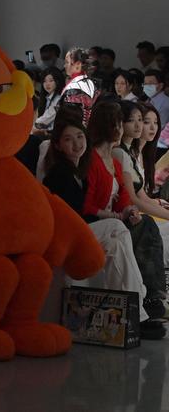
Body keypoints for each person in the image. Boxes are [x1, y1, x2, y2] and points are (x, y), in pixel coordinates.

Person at [42, 112, 153, 323]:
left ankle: (134, 312)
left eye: (79, 137)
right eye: (68, 139)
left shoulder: (78, 173)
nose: (76, 144)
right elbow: (73, 214)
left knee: (116, 243)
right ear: (57, 145)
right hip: (65, 235)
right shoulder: (58, 174)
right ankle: (140, 300)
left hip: (78, 230)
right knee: (115, 226)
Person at [86, 102, 168, 335]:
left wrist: (128, 212)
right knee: (128, 228)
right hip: (95, 222)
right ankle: (145, 305)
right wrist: (119, 213)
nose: (123, 129)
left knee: (143, 224)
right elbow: (87, 205)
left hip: (114, 219)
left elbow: (125, 197)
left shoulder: (115, 159)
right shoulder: (95, 159)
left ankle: (150, 300)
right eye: (121, 123)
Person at [33, 67, 65, 133]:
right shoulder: (46, 98)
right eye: (44, 81)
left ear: (58, 81)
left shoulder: (58, 99)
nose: (47, 84)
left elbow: (44, 120)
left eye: (51, 80)